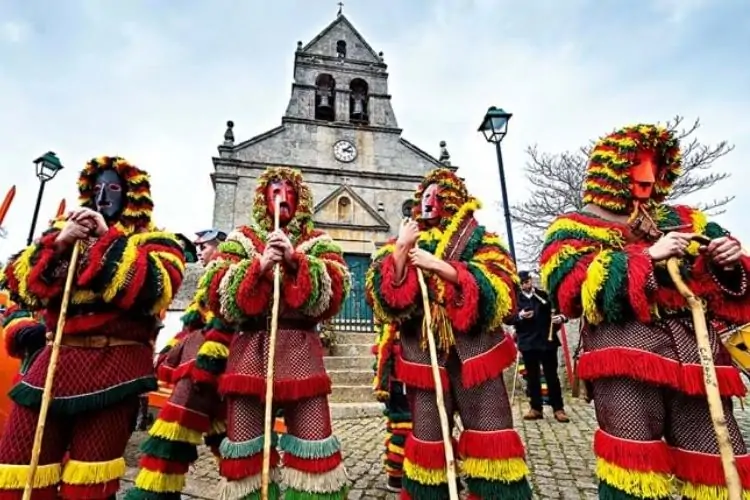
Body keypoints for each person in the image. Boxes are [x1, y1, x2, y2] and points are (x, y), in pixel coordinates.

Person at [539, 123, 750, 499]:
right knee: (635, 465)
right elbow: (569, 289)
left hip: (696, 356)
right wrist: (647, 258)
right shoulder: (572, 227)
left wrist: (728, 260)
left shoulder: (686, 219)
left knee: (716, 458)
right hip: (624, 356)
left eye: (655, 164)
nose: (647, 176)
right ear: (610, 171)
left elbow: (726, 286)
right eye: (636, 164)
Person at [0, 156, 186, 499]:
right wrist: (58, 244)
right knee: (18, 466)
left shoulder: (156, 240)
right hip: (53, 363)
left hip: (114, 368)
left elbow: (156, 289)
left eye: (113, 188)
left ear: (131, 195)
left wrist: (109, 238)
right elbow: (18, 285)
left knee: (88, 482)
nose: (103, 197)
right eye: (97, 188)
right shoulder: (63, 232)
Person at [365, 167, 533, 499]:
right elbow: (381, 297)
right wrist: (401, 251)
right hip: (423, 359)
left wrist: (442, 267)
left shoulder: (481, 239)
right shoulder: (398, 243)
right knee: (427, 437)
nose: (429, 201)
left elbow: (502, 288)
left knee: (491, 432)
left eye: (437, 195)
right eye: (424, 195)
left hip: (475, 355)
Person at [192, 166, 350, 500]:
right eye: (275, 191)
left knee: (313, 446)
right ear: (264, 197)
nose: (282, 198)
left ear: (301, 199)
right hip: (250, 353)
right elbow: (216, 295)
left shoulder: (317, 242)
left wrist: (295, 261)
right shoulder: (241, 240)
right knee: (246, 448)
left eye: (290, 191)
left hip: (300, 355)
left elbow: (335, 293)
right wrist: (260, 266)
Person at [126, 228, 227, 499]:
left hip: (213, 367)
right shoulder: (209, 276)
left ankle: (156, 492)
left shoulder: (229, 271)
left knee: (178, 425)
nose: (200, 253)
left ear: (218, 247)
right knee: (220, 433)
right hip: (200, 368)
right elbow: (194, 323)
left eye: (204, 247)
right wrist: (175, 347)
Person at [511, 270, 569, 422]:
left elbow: (561, 311)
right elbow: (508, 318)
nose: (526, 285)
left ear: (531, 280)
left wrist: (561, 318)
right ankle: (536, 408)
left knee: (552, 376)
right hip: (528, 343)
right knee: (532, 377)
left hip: (547, 342)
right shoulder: (515, 300)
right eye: (522, 283)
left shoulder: (544, 295)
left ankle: (558, 409)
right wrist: (520, 316)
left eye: (527, 281)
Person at [372, 320, 413, 492]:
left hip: (399, 376)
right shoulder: (392, 322)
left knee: (402, 424)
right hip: (397, 378)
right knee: (402, 425)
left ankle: (400, 471)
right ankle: (397, 474)